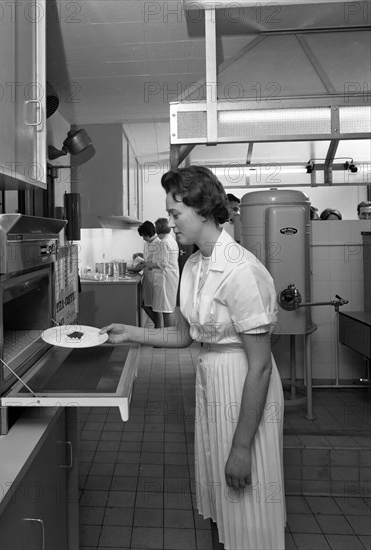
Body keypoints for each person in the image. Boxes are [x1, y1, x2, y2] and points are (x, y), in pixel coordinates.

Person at [101, 165, 286, 550]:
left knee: (247, 491)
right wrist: (131, 333)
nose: (170, 223)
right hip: (212, 380)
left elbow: (261, 365)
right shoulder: (195, 265)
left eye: (175, 213)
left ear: (203, 210)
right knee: (226, 496)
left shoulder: (241, 270)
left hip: (243, 383)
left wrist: (241, 447)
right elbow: (185, 335)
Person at [150, 217, 180, 327]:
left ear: (157, 229)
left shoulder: (164, 242)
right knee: (168, 308)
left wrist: (149, 265)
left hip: (165, 278)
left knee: (166, 309)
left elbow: (163, 263)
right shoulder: (171, 240)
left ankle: (169, 338)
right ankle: (169, 336)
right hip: (171, 277)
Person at [137, 221, 162, 328]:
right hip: (148, 276)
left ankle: (159, 328)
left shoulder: (158, 244)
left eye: (143, 235)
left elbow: (159, 263)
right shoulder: (147, 243)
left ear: (147, 234)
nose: (142, 238)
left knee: (154, 306)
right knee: (146, 304)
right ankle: (158, 327)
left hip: (155, 278)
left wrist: (145, 264)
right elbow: (148, 258)